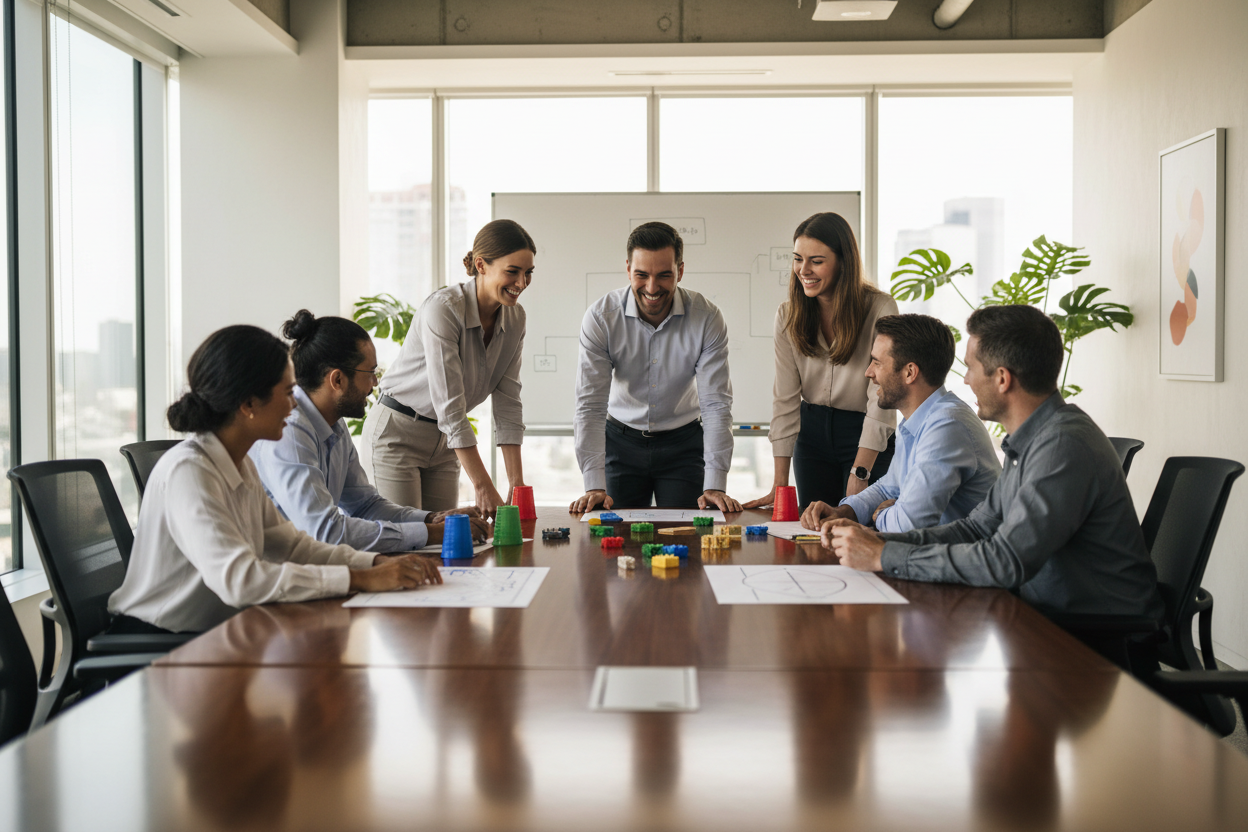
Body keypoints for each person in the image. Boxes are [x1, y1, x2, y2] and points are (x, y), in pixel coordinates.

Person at [821, 305, 1162, 621]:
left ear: (1002, 378)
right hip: (1042, 615)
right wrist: (879, 543)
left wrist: (883, 557)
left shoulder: (1060, 445)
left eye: (970, 367)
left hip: (1090, 637)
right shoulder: (1031, 439)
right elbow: (975, 528)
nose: (965, 379)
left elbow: (1006, 560)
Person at [108, 325, 441, 635]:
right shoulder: (190, 472)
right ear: (249, 404)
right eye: (287, 392)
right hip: (161, 642)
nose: (295, 403)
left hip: (221, 630)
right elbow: (241, 580)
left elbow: (294, 546)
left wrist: (376, 562)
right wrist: (361, 579)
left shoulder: (240, 465)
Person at [250, 310, 489, 552]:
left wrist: (431, 519)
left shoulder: (334, 423)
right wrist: (433, 533)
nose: (376, 384)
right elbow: (325, 532)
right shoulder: (290, 429)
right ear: (337, 380)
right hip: (283, 573)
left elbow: (365, 505)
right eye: (370, 373)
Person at [363, 219, 533, 517]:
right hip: (398, 434)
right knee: (405, 541)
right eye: (512, 272)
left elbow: (508, 402)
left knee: (444, 545)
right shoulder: (444, 309)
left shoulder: (516, 318)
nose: (521, 283)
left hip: (445, 444)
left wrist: (516, 484)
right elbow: (451, 408)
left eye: (528, 272)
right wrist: (481, 485)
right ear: (481, 265)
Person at [570, 221, 741, 514]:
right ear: (628, 270)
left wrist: (715, 483)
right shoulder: (601, 318)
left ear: (680, 272)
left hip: (682, 445)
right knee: (615, 547)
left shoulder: (707, 318)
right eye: (641, 275)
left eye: (664, 275)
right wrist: (593, 483)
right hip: (620, 444)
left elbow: (715, 405)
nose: (652, 287)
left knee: (686, 541)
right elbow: (590, 405)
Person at [744, 212, 898, 514]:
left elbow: (881, 398)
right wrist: (779, 484)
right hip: (811, 436)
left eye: (816, 260)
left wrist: (860, 473)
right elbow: (785, 400)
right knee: (812, 530)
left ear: (844, 261)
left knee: (862, 527)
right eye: (798, 259)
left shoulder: (880, 308)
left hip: (864, 434)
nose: (804, 270)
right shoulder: (788, 315)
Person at [799, 313, 1000, 532]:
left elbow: (909, 524)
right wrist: (845, 512)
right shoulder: (918, 419)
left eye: (877, 363)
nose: (869, 373)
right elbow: (889, 489)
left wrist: (879, 515)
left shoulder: (947, 426)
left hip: (965, 561)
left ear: (910, 373)